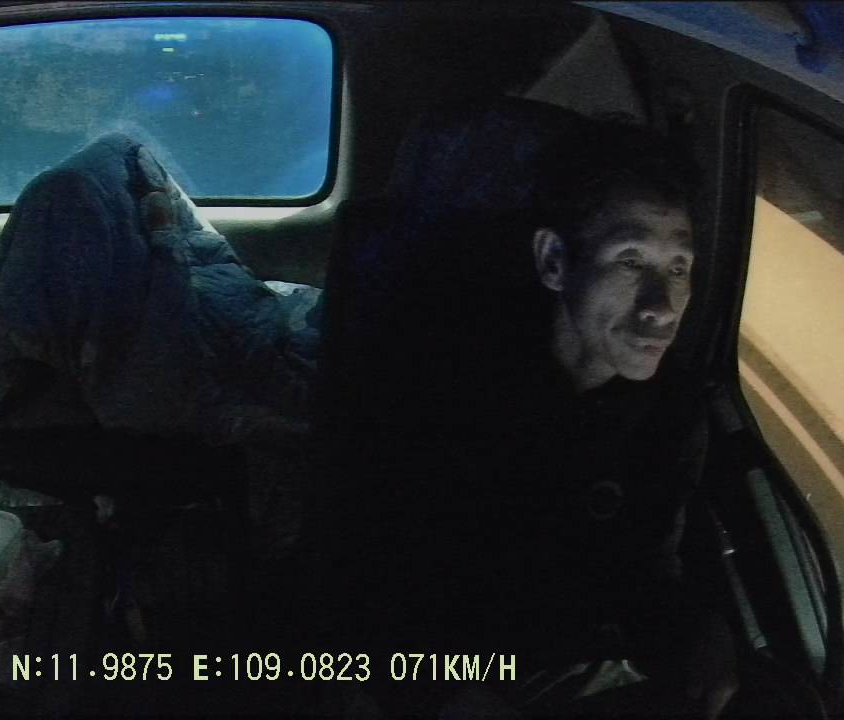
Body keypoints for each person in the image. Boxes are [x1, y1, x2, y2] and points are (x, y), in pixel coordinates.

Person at [318, 119, 752, 719]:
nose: (661, 306)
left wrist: (702, 630)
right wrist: (442, 692)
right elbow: (365, 573)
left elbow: (648, 569)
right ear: (554, 261)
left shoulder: (671, 411)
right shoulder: (438, 385)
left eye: (678, 268)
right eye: (630, 261)